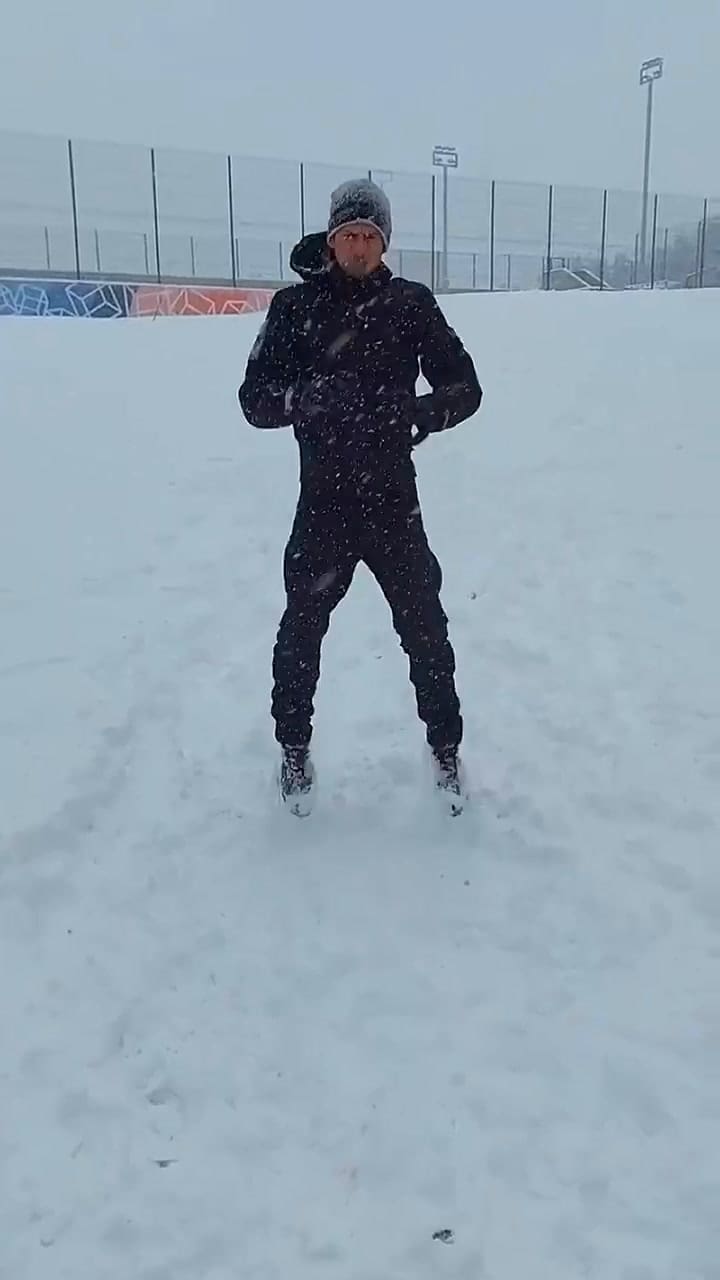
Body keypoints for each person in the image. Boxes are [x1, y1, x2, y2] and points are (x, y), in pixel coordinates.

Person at [239, 178, 482, 813]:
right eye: (348, 232)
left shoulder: (411, 304)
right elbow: (253, 399)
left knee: (426, 628)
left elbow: (466, 387)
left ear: (383, 243)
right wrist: (302, 399)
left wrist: (419, 413)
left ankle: (446, 749)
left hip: (392, 506)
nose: (358, 244)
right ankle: (293, 749)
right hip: (323, 506)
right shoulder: (294, 310)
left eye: (369, 235)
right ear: (332, 236)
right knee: (301, 631)